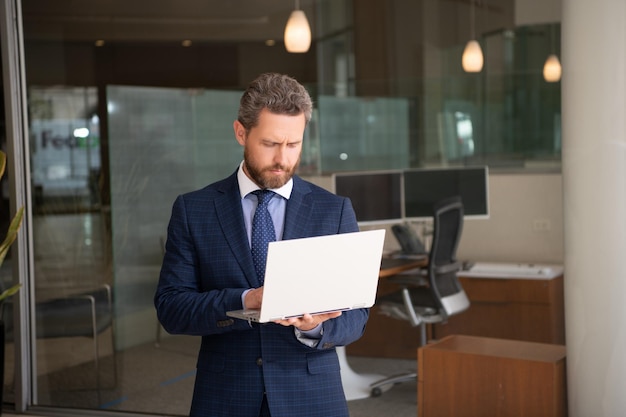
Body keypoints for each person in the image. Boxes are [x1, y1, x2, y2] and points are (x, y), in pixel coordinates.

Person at [154, 72, 368, 417]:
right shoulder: (194, 210)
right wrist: (245, 300)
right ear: (241, 132)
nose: (283, 159)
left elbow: (357, 316)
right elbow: (171, 308)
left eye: (293, 144)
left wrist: (313, 327)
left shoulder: (334, 210)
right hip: (226, 393)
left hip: (310, 394)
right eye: (270, 144)